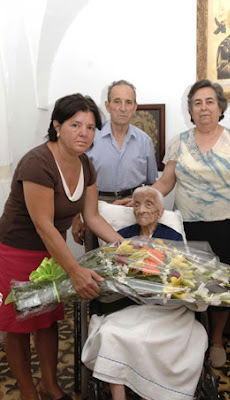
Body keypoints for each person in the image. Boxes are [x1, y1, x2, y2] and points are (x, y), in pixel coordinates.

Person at [0, 93, 122, 400]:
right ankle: (28, 391)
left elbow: (92, 216)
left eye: (91, 127)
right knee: (19, 325)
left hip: (51, 252)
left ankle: (50, 385)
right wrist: (76, 271)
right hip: (15, 251)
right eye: (75, 124)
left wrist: (125, 245)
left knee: (48, 319)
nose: (84, 133)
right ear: (57, 126)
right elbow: (44, 226)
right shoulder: (37, 163)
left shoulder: (86, 165)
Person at [147, 79, 230, 368]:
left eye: (209, 101)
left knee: (222, 285)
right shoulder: (179, 141)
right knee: (189, 285)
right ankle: (192, 338)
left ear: (220, 107)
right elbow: (166, 182)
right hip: (188, 227)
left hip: (227, 226)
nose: (204, 107)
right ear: (191, 110)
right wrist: (143, 196)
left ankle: (216, 340)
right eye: (197, 102)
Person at [81, 186, 207, 400]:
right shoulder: (123, 237)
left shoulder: (173, 237)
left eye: (149, 204)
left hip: (169, 312)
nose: (141, 210)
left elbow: (186, 276)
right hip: (129, 307)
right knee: (110, 333)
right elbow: (109, 271)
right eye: (137, 204)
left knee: (177, 339)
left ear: (160, 211)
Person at [72, 80, 158, 250]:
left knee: (132, 259)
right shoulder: (90, 138)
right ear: (108, 105)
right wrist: (76, 218)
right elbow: (76, 182)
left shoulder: (145, 141)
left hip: (133, 207)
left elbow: (151, 184)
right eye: (117, 101)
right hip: (95, 206)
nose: (123, 108)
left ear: (135, 107)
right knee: (97, 263)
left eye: (128, 102)